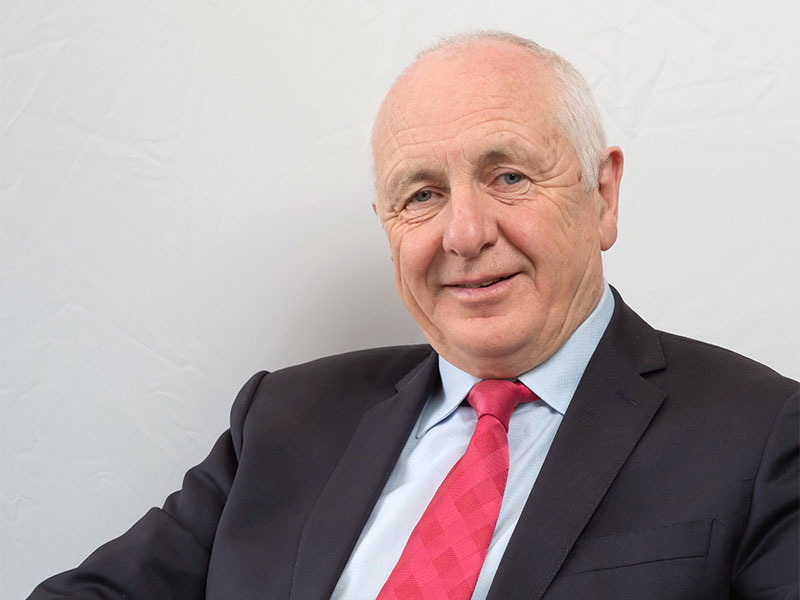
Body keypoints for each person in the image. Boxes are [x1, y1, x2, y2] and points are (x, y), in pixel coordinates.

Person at [28, 31, 798, 600]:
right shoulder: (283, 417)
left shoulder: (762, 436)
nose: (464, 234)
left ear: (603, 196)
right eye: (422, 195)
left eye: (508, 176)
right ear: (387, 225)